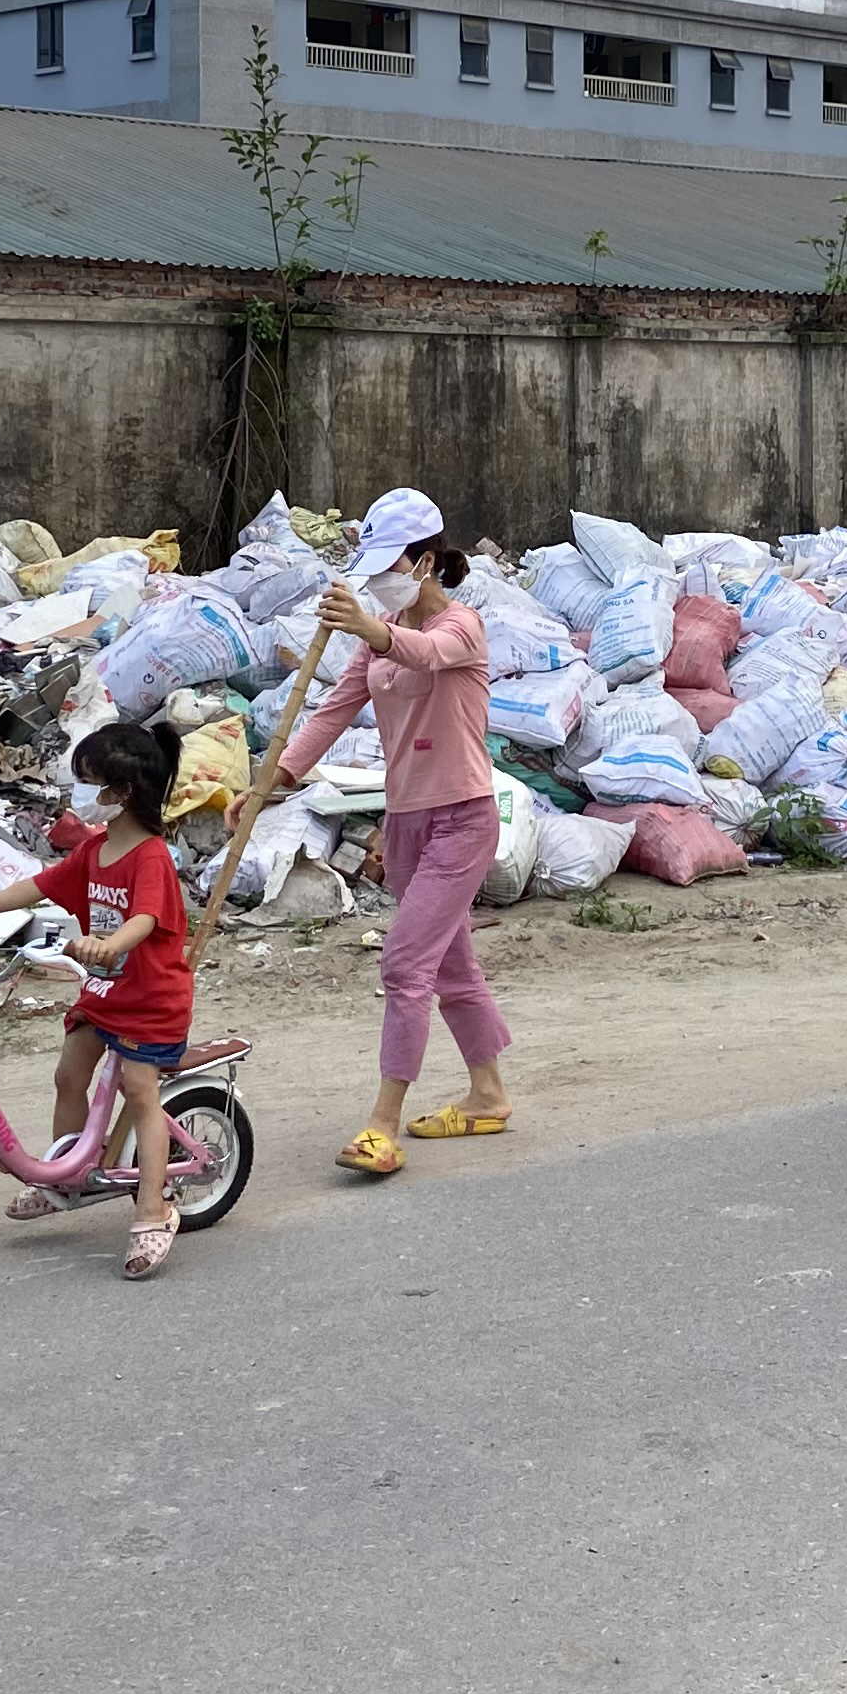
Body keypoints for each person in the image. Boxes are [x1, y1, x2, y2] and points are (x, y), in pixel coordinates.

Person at [280, 487, 514, 1178]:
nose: (385, 578)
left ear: (429, 561)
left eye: (395, 563)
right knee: (450, 968)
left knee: (405, 965)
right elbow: (331, 710)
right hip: (406, 823)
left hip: (464, 821)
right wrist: (275, 781)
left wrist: (372, 628)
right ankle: (488, 1094)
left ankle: (382, 1125)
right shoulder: (379, 636)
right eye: (377, 566)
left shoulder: (460, 628)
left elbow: (422, 653)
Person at [0, 716, 197, 1275]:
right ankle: (68, 1174)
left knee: (141, 1092)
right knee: (69, 1075)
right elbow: (43, 883)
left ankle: (153, 1211)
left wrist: (108, 944)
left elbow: (146, 918)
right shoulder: (95, 849)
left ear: (121, 792)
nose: (81, 794)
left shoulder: (150, 856)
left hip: (149, 1000)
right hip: (104, 995)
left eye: (90, 782)